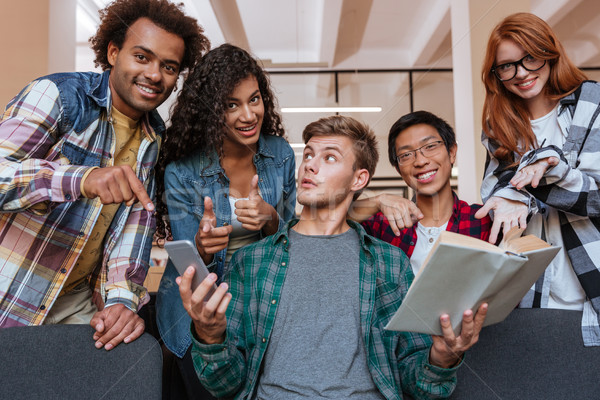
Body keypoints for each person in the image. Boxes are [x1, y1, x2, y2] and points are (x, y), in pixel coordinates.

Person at [178, 115, 487, 399]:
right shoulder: (252, 261)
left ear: (358, 179)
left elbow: (418, 385)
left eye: (329, 158)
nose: (310, 165)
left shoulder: (389, 263)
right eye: (308, 155)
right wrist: (209, 336)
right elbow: (224, 384)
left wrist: (441, 360)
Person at [0, 0, 209, 352]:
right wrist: (81, 179)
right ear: (113, 52)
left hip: (74, 305)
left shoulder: (154, 140)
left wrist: (122, 302)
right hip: (11, 290)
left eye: (169, 66)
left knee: (126, 355)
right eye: (142, 57)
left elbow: (132, 231)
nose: (155, 75)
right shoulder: (59, 96)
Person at [154, 44, 296, 399]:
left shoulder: (279, 154)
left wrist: (271, 218)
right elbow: (187, 262)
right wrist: (201, 248)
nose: (248, 115)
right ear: (209, 111)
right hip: (201, 312)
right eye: (231, 105)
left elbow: (296, 237)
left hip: (264, 305)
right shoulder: (183, 172)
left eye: (255, 99)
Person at [474, 12, 600, 345]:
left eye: (530, 58)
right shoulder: (497, 128)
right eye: (507, 66)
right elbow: (494, 192)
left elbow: (596, 197)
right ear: (496, 74)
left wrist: (547, 167)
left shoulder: (591, 103)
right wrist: (516, 187)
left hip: (592, 283)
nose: (522, 74)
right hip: (529, 292)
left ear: (549, 52)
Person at [356, 111, 492, 274]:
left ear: (452, 152)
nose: (420, 161)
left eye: (430, 147)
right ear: (398, 169)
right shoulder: (383, 226)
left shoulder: (483, 220)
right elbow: (328, 218)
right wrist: (377, 201)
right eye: (406, 155)